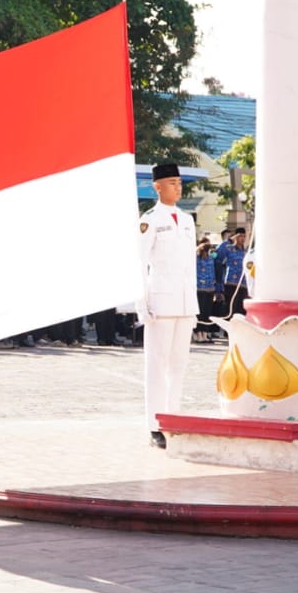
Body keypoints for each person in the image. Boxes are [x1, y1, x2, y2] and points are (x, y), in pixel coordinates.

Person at [136, 162, 198, 449]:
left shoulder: (187, 220)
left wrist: (195, 305)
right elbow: (137, 264)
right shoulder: (149, 220)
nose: (178, 186)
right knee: (157, 366)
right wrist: (141, 304)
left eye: (179, 182)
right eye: (172, 182)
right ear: (157, 187)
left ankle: (173, 419)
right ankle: (155, 425)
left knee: (179, 366)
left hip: (185, 303)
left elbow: (192, 267)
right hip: (159, 302)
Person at [215, 228, 248, 318]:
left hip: (243, 285)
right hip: (231, 283)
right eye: (240, 236)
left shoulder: (245, 252)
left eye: (244, 236)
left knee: (241, 311)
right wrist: (229, 240)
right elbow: (218, 253)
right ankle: (228, 331)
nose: (243, 239)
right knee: (229, 310)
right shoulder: (229, 248)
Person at [193, 241, 217, 343]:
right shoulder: (196, 259)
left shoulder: (211, 258)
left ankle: (205, 333)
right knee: (200, 312)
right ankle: (198, 333)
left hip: (210, 287)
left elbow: (213, 271)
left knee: (207, 312)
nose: (206, 253)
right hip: (199, 288)